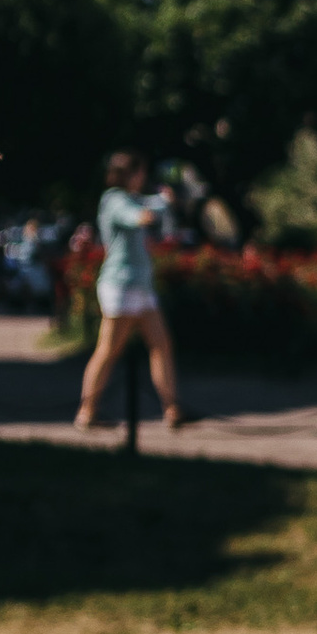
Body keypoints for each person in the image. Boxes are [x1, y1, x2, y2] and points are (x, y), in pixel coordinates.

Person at [73, 151, 187, 434]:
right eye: (139, 172)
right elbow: (141, 216)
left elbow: (150, 205)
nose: (143, 177)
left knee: (161, 346)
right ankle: (86, 412)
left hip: (141, 286)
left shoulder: (133, 197)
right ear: (128, 174)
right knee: (109, 351)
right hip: (120, 286)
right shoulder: (113, 199)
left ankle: (172, 409)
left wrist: (166, 200)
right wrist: (163, 203)